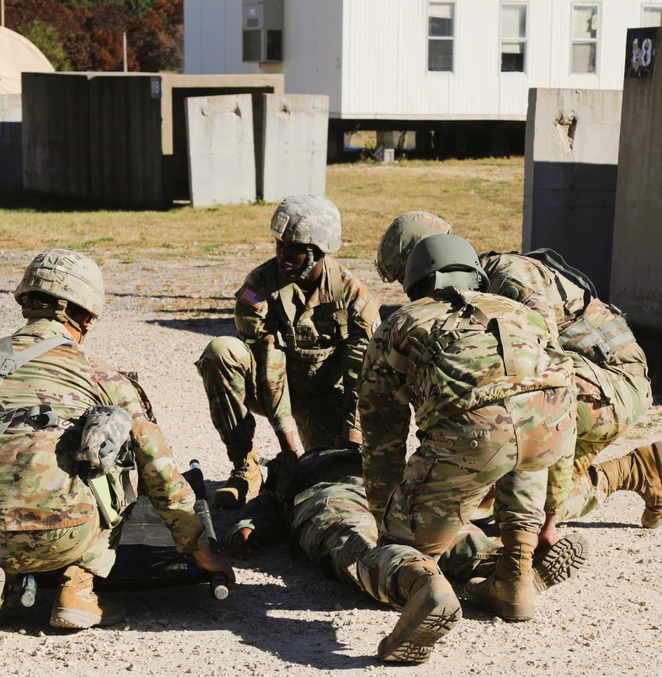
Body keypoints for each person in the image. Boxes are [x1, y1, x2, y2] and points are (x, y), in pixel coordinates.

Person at [0, 249, 235, 651]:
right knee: (115, 448)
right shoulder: (97, 371)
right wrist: (198, 546)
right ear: (85, 316)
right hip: (61, 533)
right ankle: (79, 589)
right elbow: (156, 464)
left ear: (27, 302)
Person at [376, 212, 661, 531]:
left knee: (522, 507)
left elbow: (545, 364)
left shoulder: (509, 274)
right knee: (507, 498)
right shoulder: (467, 289)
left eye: (405, 273)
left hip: (614, 384)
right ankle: (640, 470)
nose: (407, 288)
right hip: (581, 383)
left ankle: (632, 471)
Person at [360, 234, 577, 623]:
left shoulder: (401, 323)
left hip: (473, 436)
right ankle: (515, 574)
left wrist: (385, 522)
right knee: (529, 422)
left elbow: (381, 435)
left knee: (387, 560)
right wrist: (551, 517)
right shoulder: (523, 313)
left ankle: (424, 588)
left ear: (415, 283)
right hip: (549, 427)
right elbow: (560, 397)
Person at [226, 446, 588, 663]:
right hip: (385, 486)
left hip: (330, 495)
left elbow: (267, 502)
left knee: (354, 545)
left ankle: (418, 582)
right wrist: (250, 523)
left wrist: (247, 526)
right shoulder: (356, 451)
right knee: (437, 532)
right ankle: (508, 567)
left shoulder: (296, 467)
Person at [196, 194, 380, 508]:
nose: (284, 254)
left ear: (320, 250)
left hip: (324, 397)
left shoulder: (353, 297)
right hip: (268, 388)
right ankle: (246, 470)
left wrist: (352, 442)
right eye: (280, 244)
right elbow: (270, 364)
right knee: (221, 352)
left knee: (336, 480)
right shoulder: (258, 288)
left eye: (295, 248)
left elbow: (361, 379)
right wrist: (288, 447)